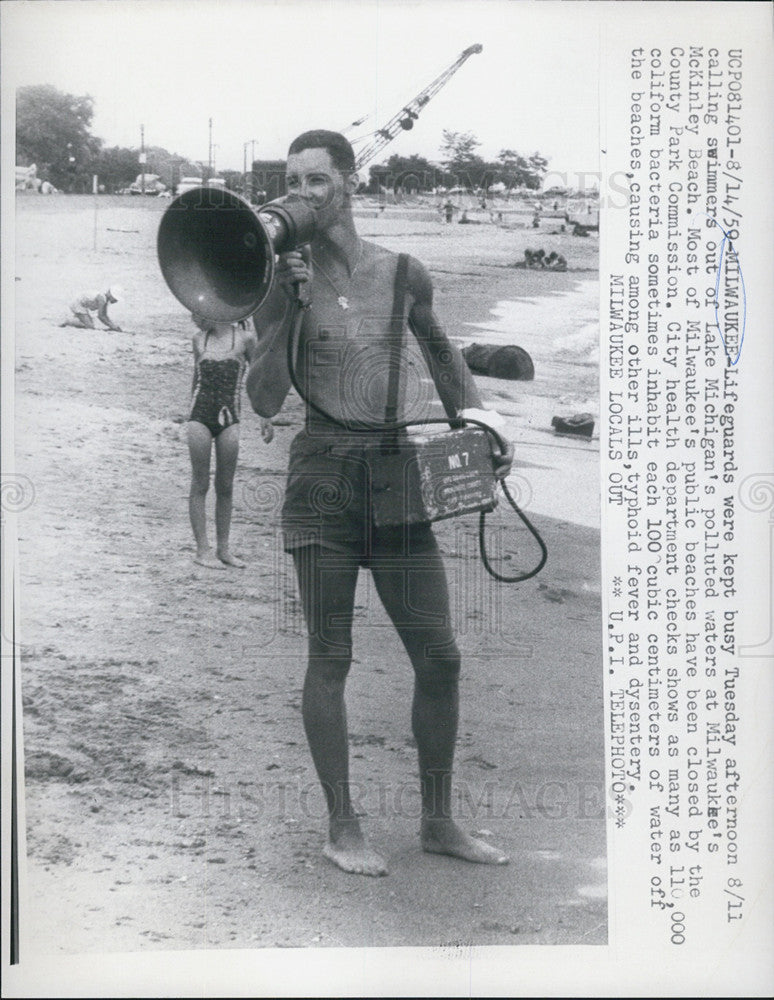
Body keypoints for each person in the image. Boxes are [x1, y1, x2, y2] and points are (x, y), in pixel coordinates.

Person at [246, 130, 514, 876]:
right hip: (323, 472)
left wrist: (484, 422)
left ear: (349, 185)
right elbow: (264, 398)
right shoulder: (275, 282)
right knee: (331, 657)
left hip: (397, 472)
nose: (299, 195)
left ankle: (438, 822)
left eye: (315, 181)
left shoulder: (402, 273)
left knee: (440, 659)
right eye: (291, 181)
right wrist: (289, 308)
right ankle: (342, 826)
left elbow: (443, 352)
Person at [188, 315, 274, 569]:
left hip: (230, 417)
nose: (194, 318)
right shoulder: (198, 339)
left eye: (198, 313)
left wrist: (265, 414)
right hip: (199, 416)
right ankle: (203, 550)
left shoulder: (245, 338)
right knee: (199, 483)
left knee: (225, 485)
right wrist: (187, 412)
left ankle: (224, 549)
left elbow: (257, 378)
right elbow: (196, 378)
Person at [60, 286, 124, 331]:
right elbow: (101, 316)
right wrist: (113, 326)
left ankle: (79, 319)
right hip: (77, 304)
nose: (116, 301)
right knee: (90, 327)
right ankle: (69, 321)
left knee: (89, 322)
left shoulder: (104, 299)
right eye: (115, 299)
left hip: (82, 305)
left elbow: (104, 315)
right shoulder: (102, 299)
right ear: (110, 295)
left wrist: (113, 325)